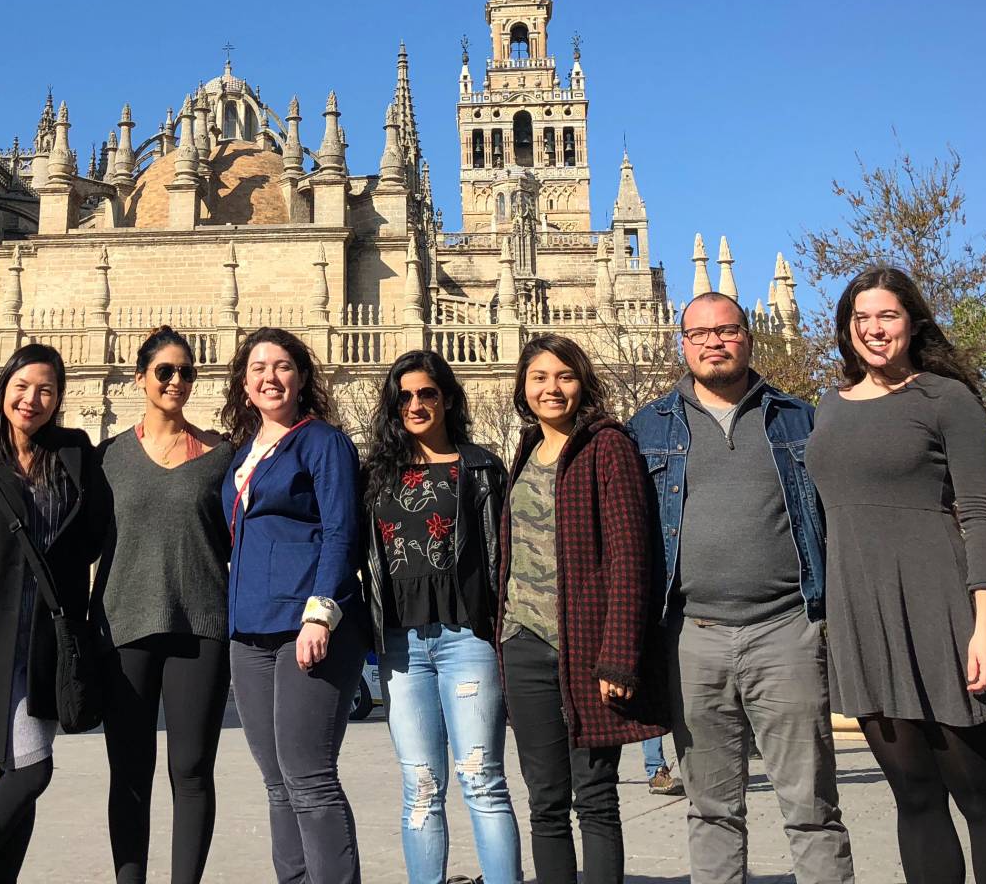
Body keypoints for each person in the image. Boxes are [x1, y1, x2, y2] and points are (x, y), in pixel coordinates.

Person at [806, 267, 986, 884]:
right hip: (862, 615)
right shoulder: (829, 405)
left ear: (913, 322)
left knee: (982, 797)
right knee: (913, 798)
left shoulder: (946, 399)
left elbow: (979, 515)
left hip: (941, 611)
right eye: (861, 318)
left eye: (886, 315)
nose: (873, 329)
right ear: (845, 328)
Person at [627, 292, 853, 884]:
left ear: (748, 336)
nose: (712, 342)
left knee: (811, 807)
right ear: (682, 343)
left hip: (788, 632)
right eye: (699, 334)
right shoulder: (646, 428)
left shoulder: (800, 419)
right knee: (711, 808)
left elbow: (841, 523)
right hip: (691, 638)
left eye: (725, 330)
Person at [496, 333, 664, 884]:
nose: (552, 388)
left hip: (589, 647)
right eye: (540, 377)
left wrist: (619, 655)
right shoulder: (524, 448)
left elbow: (629, 553)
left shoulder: (606, 444)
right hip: (524, 642)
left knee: (594, 796)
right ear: (523, 388)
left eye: (564, 376)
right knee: (544, 801)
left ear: (582, 383)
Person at [0, 343, 111, 884]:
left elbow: (94, 533)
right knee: (31, 770)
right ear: (3, 388)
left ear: (60, 397)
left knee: (22, 767)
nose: (31, 399)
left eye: (45, 389)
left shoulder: (75, 452)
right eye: (21, 386)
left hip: (52, 631)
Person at [360, 349, 519, 884]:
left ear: (448, 397)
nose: (415, 404)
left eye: (427, 393)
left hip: (466, 639)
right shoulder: (376, 475)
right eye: (403, 396)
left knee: (482, 780)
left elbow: (504, 556)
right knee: (421, 784)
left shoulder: (479, 467)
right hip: (401, 645)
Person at [219, 326, 367, 884]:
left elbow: (340, 531)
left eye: (282, 366)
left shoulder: (321, 441)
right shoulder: (243, 453)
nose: (269, 377)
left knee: (309, 777)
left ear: (302, 377)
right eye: (258, 368)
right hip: (249, 628)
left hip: (306, 623)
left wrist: (320, 612)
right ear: (243, 382)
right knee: (277, 782)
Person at [97, 326, 234, 884]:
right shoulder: (107, 457)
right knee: (129, 771)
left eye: (186, 372)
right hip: (124, 624)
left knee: (192, 769)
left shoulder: (221, 456)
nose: (176, 381)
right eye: (164, 371)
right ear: (141, 378)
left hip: (201, 626)